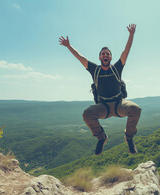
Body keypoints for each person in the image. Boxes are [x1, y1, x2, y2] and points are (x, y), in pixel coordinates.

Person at [59, 24, 141, 155]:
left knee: (136, 109)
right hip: (104, 107)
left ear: (110, 58)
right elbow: (80, 57)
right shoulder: (95, 69)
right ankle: (101, 138)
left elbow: (126, 51)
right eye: (103, 54)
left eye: (107, 54)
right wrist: (69, 46)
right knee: (87, 114)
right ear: (100, 58)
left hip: (119, 104)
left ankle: (129, 137)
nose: (105, 55)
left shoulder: (117, 68)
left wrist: (131, 35)